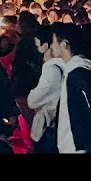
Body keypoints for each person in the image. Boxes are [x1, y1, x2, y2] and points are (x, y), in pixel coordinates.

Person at [51, 22, 91, 153]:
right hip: (74, 144)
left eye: (54, 42)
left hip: (79, 145)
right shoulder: (72, 70)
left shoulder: (78, 73)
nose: (51, 47)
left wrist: (88, 145)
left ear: (64, 45)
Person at [26, 25, 65, 153]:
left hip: (49, 126)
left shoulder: (51, 69)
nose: (36, 47)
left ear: (46, 45)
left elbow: (32, 101)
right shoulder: (61, 65)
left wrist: (32, 95)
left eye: (38, 44)